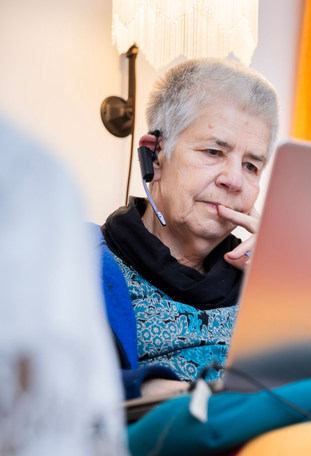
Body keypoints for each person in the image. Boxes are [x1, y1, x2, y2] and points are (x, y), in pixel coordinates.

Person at [97, 58, 279, 399]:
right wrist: (142, 389)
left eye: (251, 165)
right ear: (155, 155)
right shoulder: (78, 262)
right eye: (213, 151)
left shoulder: (267, 280)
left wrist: (287, 291)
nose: (235, 180)